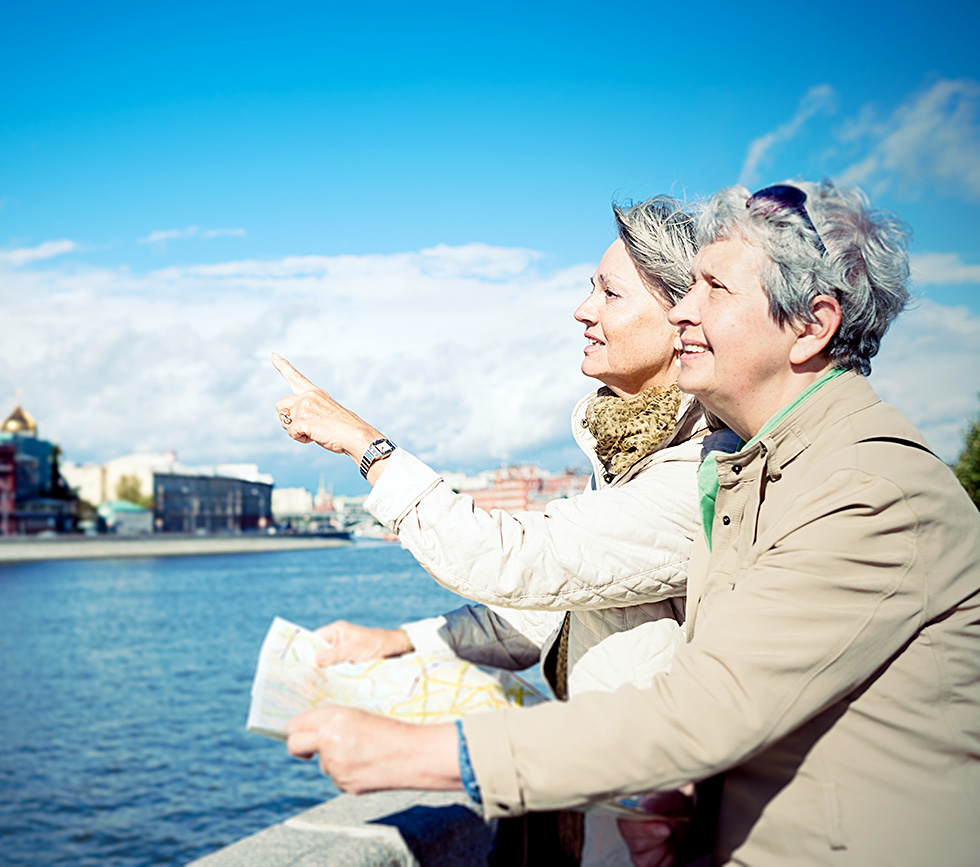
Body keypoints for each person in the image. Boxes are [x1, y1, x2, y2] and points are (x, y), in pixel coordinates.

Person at [283, 180, 980, 865]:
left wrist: (423, 753)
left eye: (713, 289)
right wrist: (692, 805)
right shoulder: (755, 468)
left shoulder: (864, 491)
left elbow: (703, 706)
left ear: (812, 325)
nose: (686, 312)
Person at [273, 196, 738, 865]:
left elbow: (512, 558)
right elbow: (540, 613)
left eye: (609, 293)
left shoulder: (697, 474)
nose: (584, 310)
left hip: (658, 828)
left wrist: (366, 445)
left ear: (681, 321)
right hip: (613, 809)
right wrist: (396, 641)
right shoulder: (624, 466)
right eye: (589, 290)